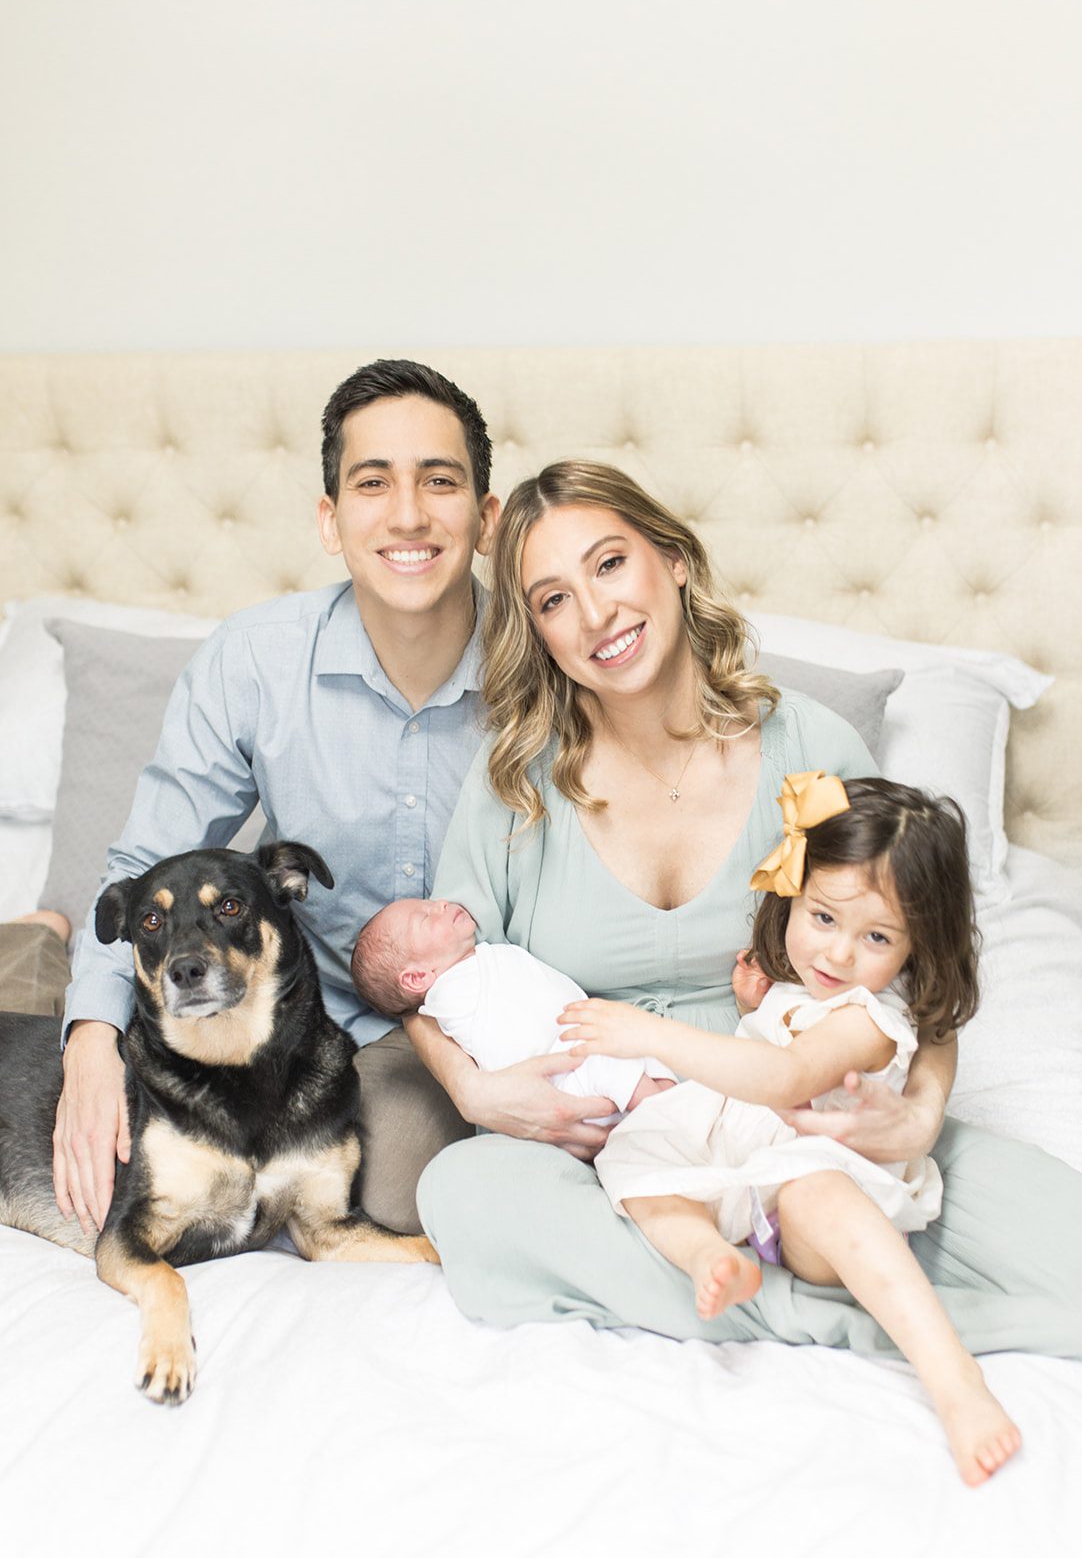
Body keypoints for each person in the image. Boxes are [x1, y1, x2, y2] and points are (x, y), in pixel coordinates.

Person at [411, 459, 1082, 1364]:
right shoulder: (517, 788)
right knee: (464, 1191)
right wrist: (473, 1091)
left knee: (1063, 1242)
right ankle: (857, 1318)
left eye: (610, 565)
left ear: (674, 561)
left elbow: (922, 972)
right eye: (553, 600)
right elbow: (434, 987)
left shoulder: (806, 752)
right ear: (537, 633)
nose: (596, 614)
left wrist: (920, 1114)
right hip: (618, 1150)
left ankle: (791, 1279)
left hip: (809, 1117)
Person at [26, 358, 508, 1240]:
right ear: (331, 520)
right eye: (373, 483)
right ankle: (37, 952)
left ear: (486, 515)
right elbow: (145, 865)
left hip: (503, 1010)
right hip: (322, 1028)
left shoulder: (550, 654)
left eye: (440, 481)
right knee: (396, 1191)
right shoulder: (252, 661)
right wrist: (92, 1037)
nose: (408, 514)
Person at [560, 773, 1020, 1485]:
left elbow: (784, 1078)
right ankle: (710, 1256)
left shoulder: (870, 1021)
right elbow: (784, 1038)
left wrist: (645, 1032)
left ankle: (956, 1384)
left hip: (808, 1191)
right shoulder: (813, 987)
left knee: (815, 1192)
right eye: (823, 918)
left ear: (916, 947)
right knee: (636, 1154)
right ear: (793, 897)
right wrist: (764, 1003)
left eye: (876, 936)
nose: (836, 955)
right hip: (745, 1159)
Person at [352, 896, 675, 1118]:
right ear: (417, 977)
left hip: (586, 1045)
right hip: (567, 1076)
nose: (441, 904)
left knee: (646, 1056)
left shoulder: (476, 962)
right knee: (613, 1065)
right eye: (424, 916)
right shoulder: (448, 997)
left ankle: (670, 1106)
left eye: (430, 902)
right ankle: (671, 1120)